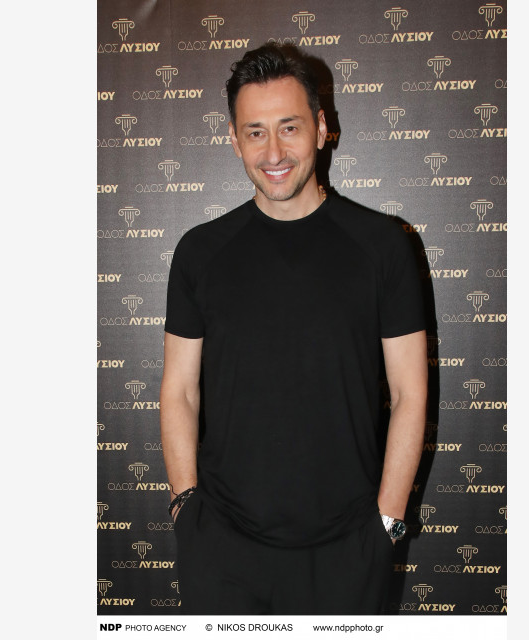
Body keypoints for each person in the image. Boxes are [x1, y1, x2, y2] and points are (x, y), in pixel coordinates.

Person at [160, 43, 427, 615]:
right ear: (234, 139)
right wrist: (186, 507)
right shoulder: (200, 253)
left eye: (289, 127)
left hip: (350, 549)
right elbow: (179, 390)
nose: (274, 151)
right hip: (222, 551)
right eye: (255, 132)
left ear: (321, 128)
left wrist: (387, 521)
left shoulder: (383, 246)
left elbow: (410, 393)